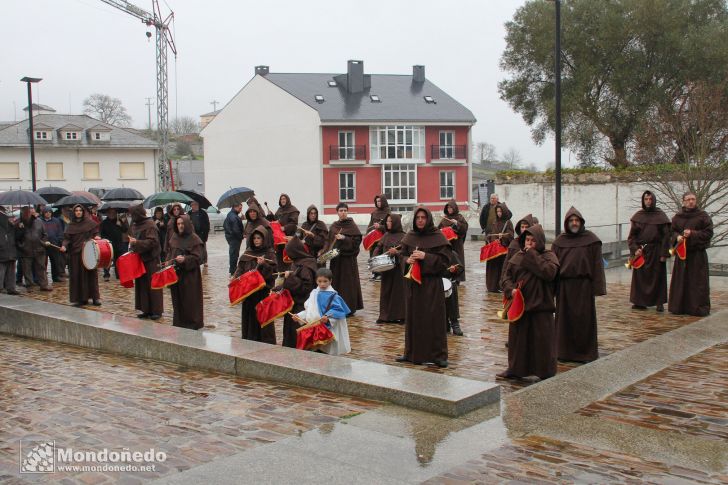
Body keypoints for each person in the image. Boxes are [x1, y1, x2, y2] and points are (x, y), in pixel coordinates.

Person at [498, 224, 559, 382]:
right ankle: (515, 369)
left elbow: (549, 273)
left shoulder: (548, 256)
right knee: (518, 342)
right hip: (520, 306)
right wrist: (510, 290)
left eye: (532, 240)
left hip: (541, 306)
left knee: (542, 343)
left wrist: (532, 255)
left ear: (539, 241)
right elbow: (506, 277)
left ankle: (545, 371)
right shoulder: (517, 256)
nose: (529, 243)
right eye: (527, 240)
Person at [396, 207, 450, 368]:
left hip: (431, 285)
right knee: (414, 318)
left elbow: (445, 262)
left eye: (423, 217)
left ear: (428, 219)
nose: (420, 220)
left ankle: (438, 355)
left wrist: (426, 256)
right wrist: (407, 260)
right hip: (413, 284)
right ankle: (411, 352)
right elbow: (401, 255)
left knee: (433, 319)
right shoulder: (410, 236)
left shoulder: (438, 236)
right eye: (418, 217)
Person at [552, 207, 606, 363]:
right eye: (571, 220)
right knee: (565, 321)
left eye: (576, 220)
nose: (574, 223)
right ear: (567, 223)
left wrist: (598, 288)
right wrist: (552, 289)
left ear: (581, 222)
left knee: (584, 321)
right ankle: (564, 352)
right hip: (565, 286)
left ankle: (585, 353)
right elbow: (553, 266)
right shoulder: (559, 242)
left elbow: (597, 265)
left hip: (584, 287)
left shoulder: (591, 240)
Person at [668, 192, 713, 316]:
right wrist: (677, 237)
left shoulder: (703, 216)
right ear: (683, 201)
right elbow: (671, 233)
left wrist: (692, 234)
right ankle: (679, 307)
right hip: (682, 255)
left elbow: (708, 233)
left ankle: (697, 308)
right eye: (688, 199)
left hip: (697, 255)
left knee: (697, 283)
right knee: (681, 282)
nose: (691, 202)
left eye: (693, 199)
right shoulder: (677, 217)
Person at [232, 226, 277, 344]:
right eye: (254, 238)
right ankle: (250, 340)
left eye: (259, 238)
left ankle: (265, 342)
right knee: (250, 318)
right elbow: (240, 268)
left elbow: (274, 273)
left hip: (262, 293)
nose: (256, 240)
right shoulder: (247, 253)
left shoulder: (270, 254)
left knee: (263, 318)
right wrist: (235, 278)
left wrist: (264, 264)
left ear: (264, 239)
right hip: (248, 293)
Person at [628, 191, 671, 312]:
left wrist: (663, 254)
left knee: (658, 277)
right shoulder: (638, 216)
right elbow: (632, 236)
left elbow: (666, 237)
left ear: (654, 200)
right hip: (642, 251)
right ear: (643, 200)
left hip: (656, 251)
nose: (648, 201)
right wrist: (635, 249)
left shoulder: (660, 216)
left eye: (650, 199)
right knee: (640, 278)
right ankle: (640, 302)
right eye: (646, 199)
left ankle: (659, 302)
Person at [297, 268, 351, 355]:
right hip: (314, 328)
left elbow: (339, 311)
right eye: (320, 281)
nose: (322, 284)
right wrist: (299, 316)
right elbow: (310, 309)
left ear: (330, 281)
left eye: (325, 281)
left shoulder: (333, 296)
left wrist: (328, 318)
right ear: (316, 281)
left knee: (328, 351)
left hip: (327, 329)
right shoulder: (314, 293)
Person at [323, 202, 363, 315]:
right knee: (337, 283)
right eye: (341, 211)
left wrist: (344, 238)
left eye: (345, 210)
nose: (343, 213)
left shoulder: (352, 225)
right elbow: (328, 241)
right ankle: (337, 306)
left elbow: (356, 243)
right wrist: (324, 252)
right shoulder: (334, 226)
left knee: (348, 285)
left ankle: (349, 308)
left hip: (348, 260)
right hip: (336, 261)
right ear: (337, 212)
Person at [278, 236, 317, 348]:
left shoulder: (306, 266)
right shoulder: (298, 262)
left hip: (301, 305)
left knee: (296, 334)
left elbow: (306, 287)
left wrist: (289, 278)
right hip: (294, 303)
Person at [167, 215, 205, 329]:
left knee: (190, 300)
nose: (180, 226)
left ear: (187, 224)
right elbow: (169, 252)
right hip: (176, 274)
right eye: (178, 224)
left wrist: (185, 259)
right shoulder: (174, 237)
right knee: (177, 300)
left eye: (182, 224)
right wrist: (168, 263)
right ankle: (179, 322)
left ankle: (192, 323)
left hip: (190, 276)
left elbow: (199, 258)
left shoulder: (194, 239)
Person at [128, 204, 163, 320]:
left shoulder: (150, 225)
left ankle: (156, 311)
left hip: (152, 259)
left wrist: (137, 243)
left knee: (153, 284)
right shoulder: (135, 225)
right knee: (142, 285)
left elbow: (153, 242)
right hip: (140, 258)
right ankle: (146, 309)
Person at [61, 204, 100, 306]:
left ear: (83, 212)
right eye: (76, 211)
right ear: (74, 213)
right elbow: (67, 238)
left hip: (88, 253)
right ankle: (81, 298)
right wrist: (64, 246)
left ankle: (95, 298)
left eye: (80, 211)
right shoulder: (70, 226)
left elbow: (96, 233)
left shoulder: (90, 223)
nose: (78, 212)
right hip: (75, 254)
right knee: (77, 276)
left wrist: (96, 237)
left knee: (91, 276)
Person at [373, 213, 406, 324]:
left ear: (396, 222)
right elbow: (378, 247)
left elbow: (406, 252)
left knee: (398, 292)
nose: (388, 223)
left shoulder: (404, 236)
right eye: (387, 221)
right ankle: (384, 316)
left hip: (398, 269)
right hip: (386, 268)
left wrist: (397, 252)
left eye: (390, 221)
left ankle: (401, 316)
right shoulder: (386, 235)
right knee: (386, 291)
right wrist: (375, 257)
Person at [16, 207, 51, 291]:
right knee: (27, 269)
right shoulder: (19, 222)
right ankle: (30, 285)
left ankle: (44, 285)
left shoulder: (39, 221)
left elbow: (44, 234)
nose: (32, 214)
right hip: (26, 250)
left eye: (33, 212)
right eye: (29, 212)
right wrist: (21, 246)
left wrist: (43, 242)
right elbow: (16, 237)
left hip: (39, 249)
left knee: (41, 268)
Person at [485, 204, 514, 292]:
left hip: (503, 252)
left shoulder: (508, 222)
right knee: (492, 268)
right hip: (494, 250)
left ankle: (500, 286)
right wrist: (490, 239)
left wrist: (503, 237)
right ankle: (492, 286)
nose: (499, 213)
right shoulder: (494, 222)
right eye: (497, 211)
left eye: (500, 211)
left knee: (500, 268)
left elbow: (511, 236)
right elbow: (491, 233)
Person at [438, 200, 468, 282]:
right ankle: (448, 276)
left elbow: (464, 228)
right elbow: (438, 230)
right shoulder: (445, 218)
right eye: (448, 208)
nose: (449, 209)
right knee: (447, 259)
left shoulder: (460, 217)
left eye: (451, 207)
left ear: (454, 208)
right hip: (447, 244)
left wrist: (457, 223)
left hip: (456, 244)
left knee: (457, 260)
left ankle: (458, 278)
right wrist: (441, 230)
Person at [271, 193, 300, 271]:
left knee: (288, 257)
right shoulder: (279, 210)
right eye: (281, 199)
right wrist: (271, 216)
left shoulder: (293, 209)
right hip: (279, 239)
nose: (283, 200)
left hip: (288, 238)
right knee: (279, 257)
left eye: (284, 199)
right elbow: (275, 220)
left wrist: (285, 228)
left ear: (287, 200)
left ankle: (290, 274)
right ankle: (281, 275)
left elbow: (294, 223)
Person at [100, 208, 129, 281]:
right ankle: (106, 274)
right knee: (107, 260)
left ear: (116, 213)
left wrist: (121, 224)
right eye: (110, 213)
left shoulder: (119, 221)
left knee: (118, 259)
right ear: (107, 213)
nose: (112, 214)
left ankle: (118, 275)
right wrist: (105, 241)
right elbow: (102, 234)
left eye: (113, 213)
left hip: (118, 243)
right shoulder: (104, 223)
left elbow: (125, 229)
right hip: (108, 244)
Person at [367, 194, 391, 280]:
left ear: (384, 201)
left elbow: (389, 227)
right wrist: (367, 235)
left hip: (383, 238)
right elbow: (370, 225)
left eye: (380, 201)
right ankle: (375, 273)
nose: (378, 203)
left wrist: (380, 227)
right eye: (377, 201)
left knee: (381, 255)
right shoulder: (374, 213)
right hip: (373, 239)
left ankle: (381, 274)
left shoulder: (388, 212)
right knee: (373, 254)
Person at [41, 207, 65, 283]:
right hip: (44, 245)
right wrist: (43, 241)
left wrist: (58, 240)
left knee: (55, 262)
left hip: (54, 244)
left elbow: (60, 232)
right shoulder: (40, 221)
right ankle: (43, 279)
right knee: (43, 263)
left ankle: (56, 277)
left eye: (49, 212)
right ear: (43, 213)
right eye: (46, 212)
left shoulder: (56, 221)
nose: (48, 213)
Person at [0, 207, 19, 295]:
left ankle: (11, 288)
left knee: (11, 271)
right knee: (2, 270)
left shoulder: (11, 223)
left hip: (11, 248)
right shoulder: (4, 219)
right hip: (3, 249)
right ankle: (2, 288)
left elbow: (16, 236)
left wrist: (17, 225)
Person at [223, 202, 244, 275]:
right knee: (234, 254)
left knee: (233, 253)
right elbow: (236, 230)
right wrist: (241, 236)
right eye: (240, 208)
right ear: (235, 207)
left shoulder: (231, 215)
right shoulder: (234, 216)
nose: (241, 210)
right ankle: (233, 271)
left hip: (230, 237)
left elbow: (225, 225)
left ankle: (232, 269)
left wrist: (239, 219)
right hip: (234, 238)